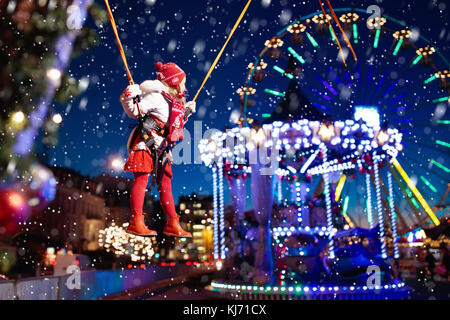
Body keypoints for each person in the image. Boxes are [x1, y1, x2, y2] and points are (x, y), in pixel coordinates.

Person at [120, 62, 196, 237]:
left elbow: (174, 125)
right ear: (174, 82)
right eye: (183, 82)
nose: (185, 85)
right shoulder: (156, 96)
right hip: (147, 142)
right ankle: (136, 221)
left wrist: (187, 113)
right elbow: (135, 111)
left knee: (166, 185)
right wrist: (128, 97)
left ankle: (172, 223)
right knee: (142, 181)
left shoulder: (176, 103)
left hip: (163, 146)